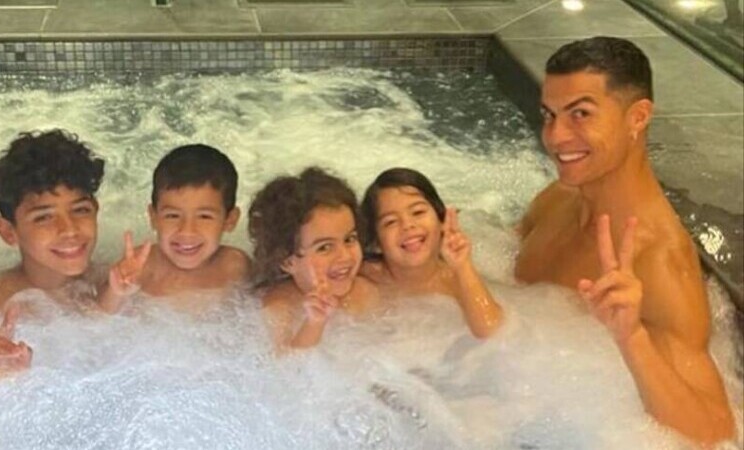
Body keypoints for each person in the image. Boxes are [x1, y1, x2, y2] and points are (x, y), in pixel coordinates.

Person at [515, 36, 734, 443]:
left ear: (638, 117)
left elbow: (714, 433)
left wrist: (632, 338)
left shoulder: (658, 262)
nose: (555, 137)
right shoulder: (558, 197)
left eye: (580, 114)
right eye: (549, 114)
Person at [0, 129, 105, 377]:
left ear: (96, 210)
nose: (69, 230)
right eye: (44, 217)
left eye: (80, 210)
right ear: (8, 232)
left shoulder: (116, 281)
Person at [99, 144, 250, 313]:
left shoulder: (235, 265)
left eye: (204, 216)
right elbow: (98, 316)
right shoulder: (141, 265)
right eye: (173, 216)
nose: (187, 231)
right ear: (154, 217)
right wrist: (116, 292)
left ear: (230, 220)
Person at [359, 168, 503, 338]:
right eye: (390, 222)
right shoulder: (364, 278)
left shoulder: (457, 281)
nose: (408, 225)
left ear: (441, 221)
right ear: (376, 242)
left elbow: (491, 331)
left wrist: (463, 265)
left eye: (418, 212)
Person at [248, 167, 379, 350]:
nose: (345, 256)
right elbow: (286, 363)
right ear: (287, 261)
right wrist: (315, 323)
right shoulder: (280, 307)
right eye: (324, 247)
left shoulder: (366, 291)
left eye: (349, 239)